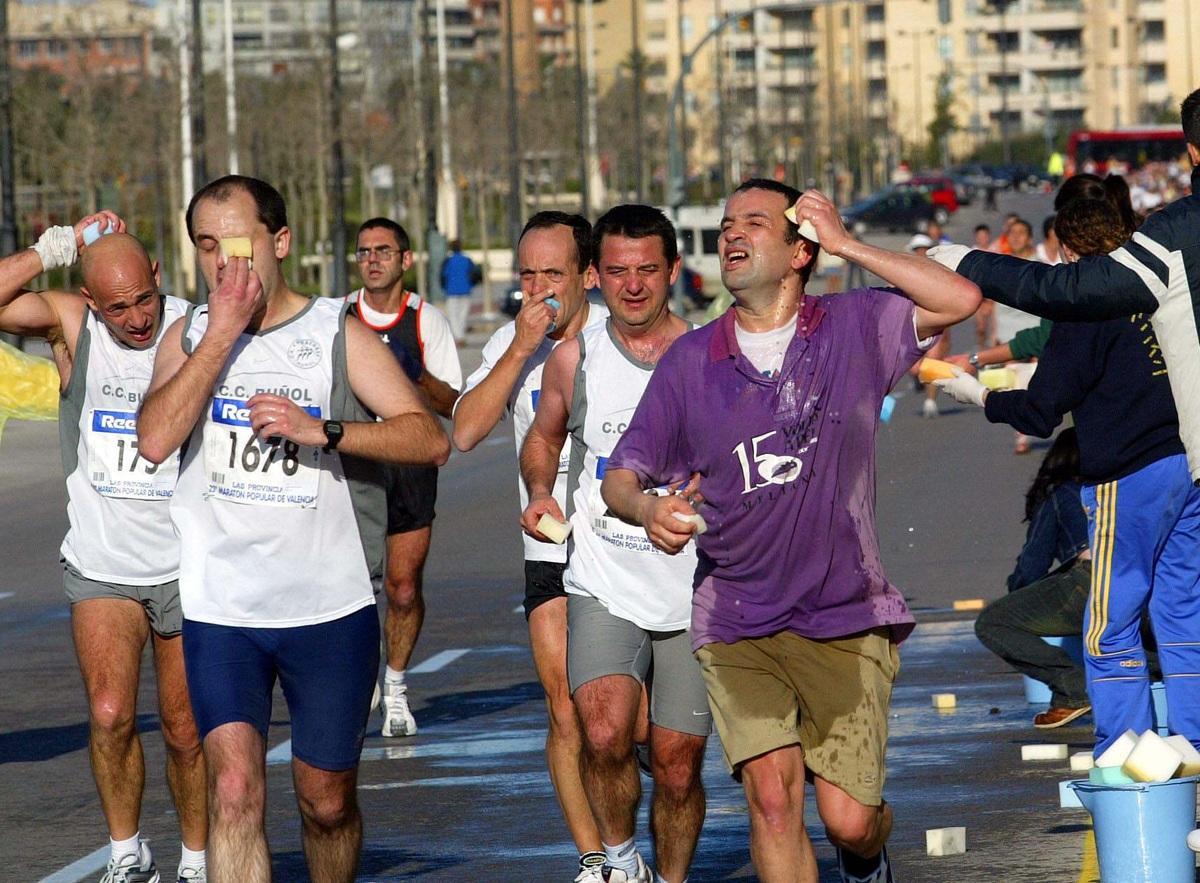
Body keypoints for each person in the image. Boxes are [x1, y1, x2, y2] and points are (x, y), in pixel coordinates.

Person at [600, 179, 981, 883]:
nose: (731, 235)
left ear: (799, 248)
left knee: (849, 820)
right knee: (772, 800)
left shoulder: (854, 326)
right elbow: (622, 473)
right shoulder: (693, 361)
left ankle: (868, 855)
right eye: (724, 224)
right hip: (737, 618)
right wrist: (646, 509)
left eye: (753, 221)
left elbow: (959, 299)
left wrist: (847, 244)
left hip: (845, 611)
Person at [137, 175, 449, 883]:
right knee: (236, 791)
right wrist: (217, 335)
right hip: (222, 611)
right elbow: (154, 439)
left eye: (237, 243)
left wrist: (324, 429)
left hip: (327, 608)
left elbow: (427, 438)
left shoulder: (331, 332)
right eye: (207, 246)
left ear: (279, 242)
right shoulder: (189, 335)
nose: (224, 263)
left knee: (326, 802)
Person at [936, 188, 1200, 755]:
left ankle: (1127, 750)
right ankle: (1194, 742)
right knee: (1180, 615)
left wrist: (979, 396)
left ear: (1067, 251)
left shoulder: (1086, 312)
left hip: (1126, 476)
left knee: (1108, 625)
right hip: (1185, 465)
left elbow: (1040, 409)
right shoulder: (1153, 293)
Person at [0, 216, 207, 883]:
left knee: (183, 727)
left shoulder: (197, 327)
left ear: (159, 279)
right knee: (112, 714)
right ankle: (126, 851)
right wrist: (51, 250)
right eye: (117, 307)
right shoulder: (72, 327)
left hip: (188, 564)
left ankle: (197, 859)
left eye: (144, 298)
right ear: (90, 301)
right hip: (102, 563)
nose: (137, 318)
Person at [520, 205, 709, 883]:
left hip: (695, 589)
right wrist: (541, 489)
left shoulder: (711, 353)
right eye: (619, 272)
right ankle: (624, 862)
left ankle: (674, 877)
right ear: (596, 275)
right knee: (601, 730)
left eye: (648, 271)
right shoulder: (577, 357)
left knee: (679, 762)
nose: (633, 287)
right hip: (603, 578)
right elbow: (543, 437)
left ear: (674, 272)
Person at [451, 211, 608, 881]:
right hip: (550, 549)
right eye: (528, 274)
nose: (539, 288)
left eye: (554, 274)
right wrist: (519, 351)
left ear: (589, 276)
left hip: (626, 547)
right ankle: (598, 858)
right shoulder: (512, 344)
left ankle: (634, 831)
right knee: (566, 705)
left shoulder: (618, 338)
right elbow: (462, 432)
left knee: (634, 726)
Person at [347, 217, 463, 737]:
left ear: (406, 260)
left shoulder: (425, 320)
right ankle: (356, 678)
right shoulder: (338, 318)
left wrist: (411, 374)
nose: (372, 259)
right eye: (364, 251)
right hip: (352, 462)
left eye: (383, 251)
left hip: (409, 466)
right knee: (348, 586)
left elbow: (453, 404)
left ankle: (394, 687)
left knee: (401, 588)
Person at [974, 429, 1094, 728]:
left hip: (1093, 578)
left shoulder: (1062, 492)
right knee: (1144, 639)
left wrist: (1019, 597)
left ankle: (1072, 687)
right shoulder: (1124, 481)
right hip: (1151, 576)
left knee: (992, 622)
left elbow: (1032, 568)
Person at [906, 234, 948, 418]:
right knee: (914, 367)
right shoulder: (903, 269)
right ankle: (917, 378)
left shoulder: (940, 270)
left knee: (934, 361)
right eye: (918, 249)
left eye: (924, 248)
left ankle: (930, 401)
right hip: (912, 324)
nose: (921, 252)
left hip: (936, 322)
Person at [440, 239, 478, 345]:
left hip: (451, 292)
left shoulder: (448, 260)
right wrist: (471, 285)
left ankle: (458, 337)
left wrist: (444, 288)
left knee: (453, 315)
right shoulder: (467, 259)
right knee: (463, 315)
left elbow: (443, 276)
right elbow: (475, 274)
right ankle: (461, 336)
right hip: (465, 290)